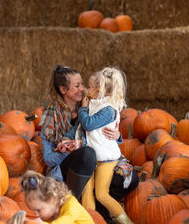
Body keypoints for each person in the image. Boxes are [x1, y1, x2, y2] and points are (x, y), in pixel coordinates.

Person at [39, 64, 138, 223]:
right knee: (87, 154)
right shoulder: (51, 117)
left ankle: (98, 212)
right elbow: (49, 159)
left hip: (98, 162)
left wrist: (118, 135)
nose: (83, 89)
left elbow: (100, 132)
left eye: (83, 84)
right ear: (64, 90)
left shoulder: (91, 105)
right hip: (68, 172)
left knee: (131, 179)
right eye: (77, 86)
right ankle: (73, 204)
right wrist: (67, 148)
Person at [79, 67, 133, 224]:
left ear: (100, 89)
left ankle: (125, 221)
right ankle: (89, 221)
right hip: (91, 156)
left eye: (90, 87)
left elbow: (88, 124)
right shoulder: (96, 103)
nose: (87, 90)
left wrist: (83, 108)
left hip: (105, 158)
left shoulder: (108, 110)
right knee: (87, 190)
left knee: (102, 194)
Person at [20, 170, 95, 223]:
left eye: (38, 210)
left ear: (52, 199)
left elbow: (67, 219)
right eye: (34, 211)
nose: (36, 214)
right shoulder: (50, 215)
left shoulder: (71, 204)